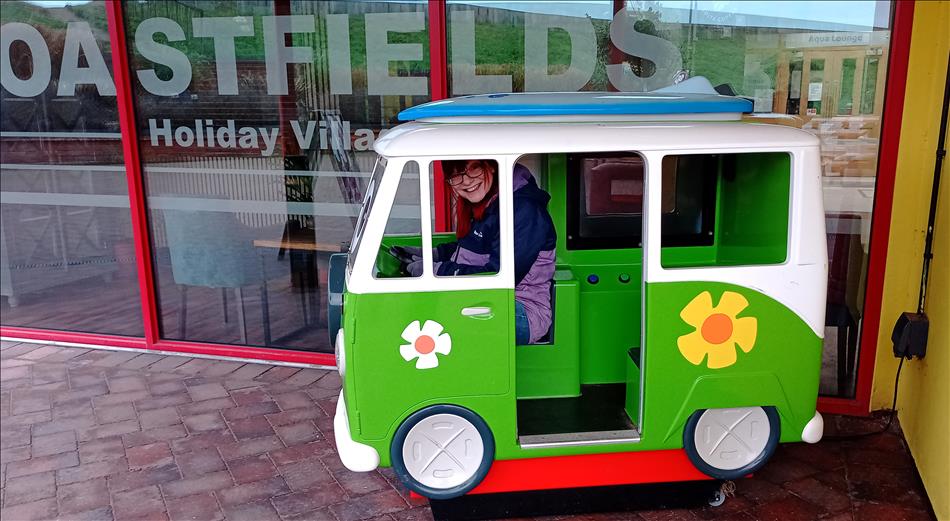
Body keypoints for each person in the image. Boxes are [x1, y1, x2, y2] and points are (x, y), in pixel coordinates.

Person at [394, 160, 556, 345]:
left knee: (428, 318)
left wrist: (435, 271)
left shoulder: (524, 211)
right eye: (456, 176)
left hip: (521, 310)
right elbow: (471, 250)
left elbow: (498, 276)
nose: (466, 181)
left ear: (493, 165)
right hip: (484, 302)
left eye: (473, 169)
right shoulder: (489, 202)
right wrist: (430, 254)